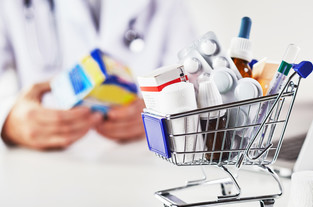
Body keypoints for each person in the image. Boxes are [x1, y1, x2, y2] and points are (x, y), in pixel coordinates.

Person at [0, 0, 196, 150]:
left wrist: (159, 111)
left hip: (138, 158)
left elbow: (194, 80)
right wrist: (8, 121)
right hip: (43, 164)